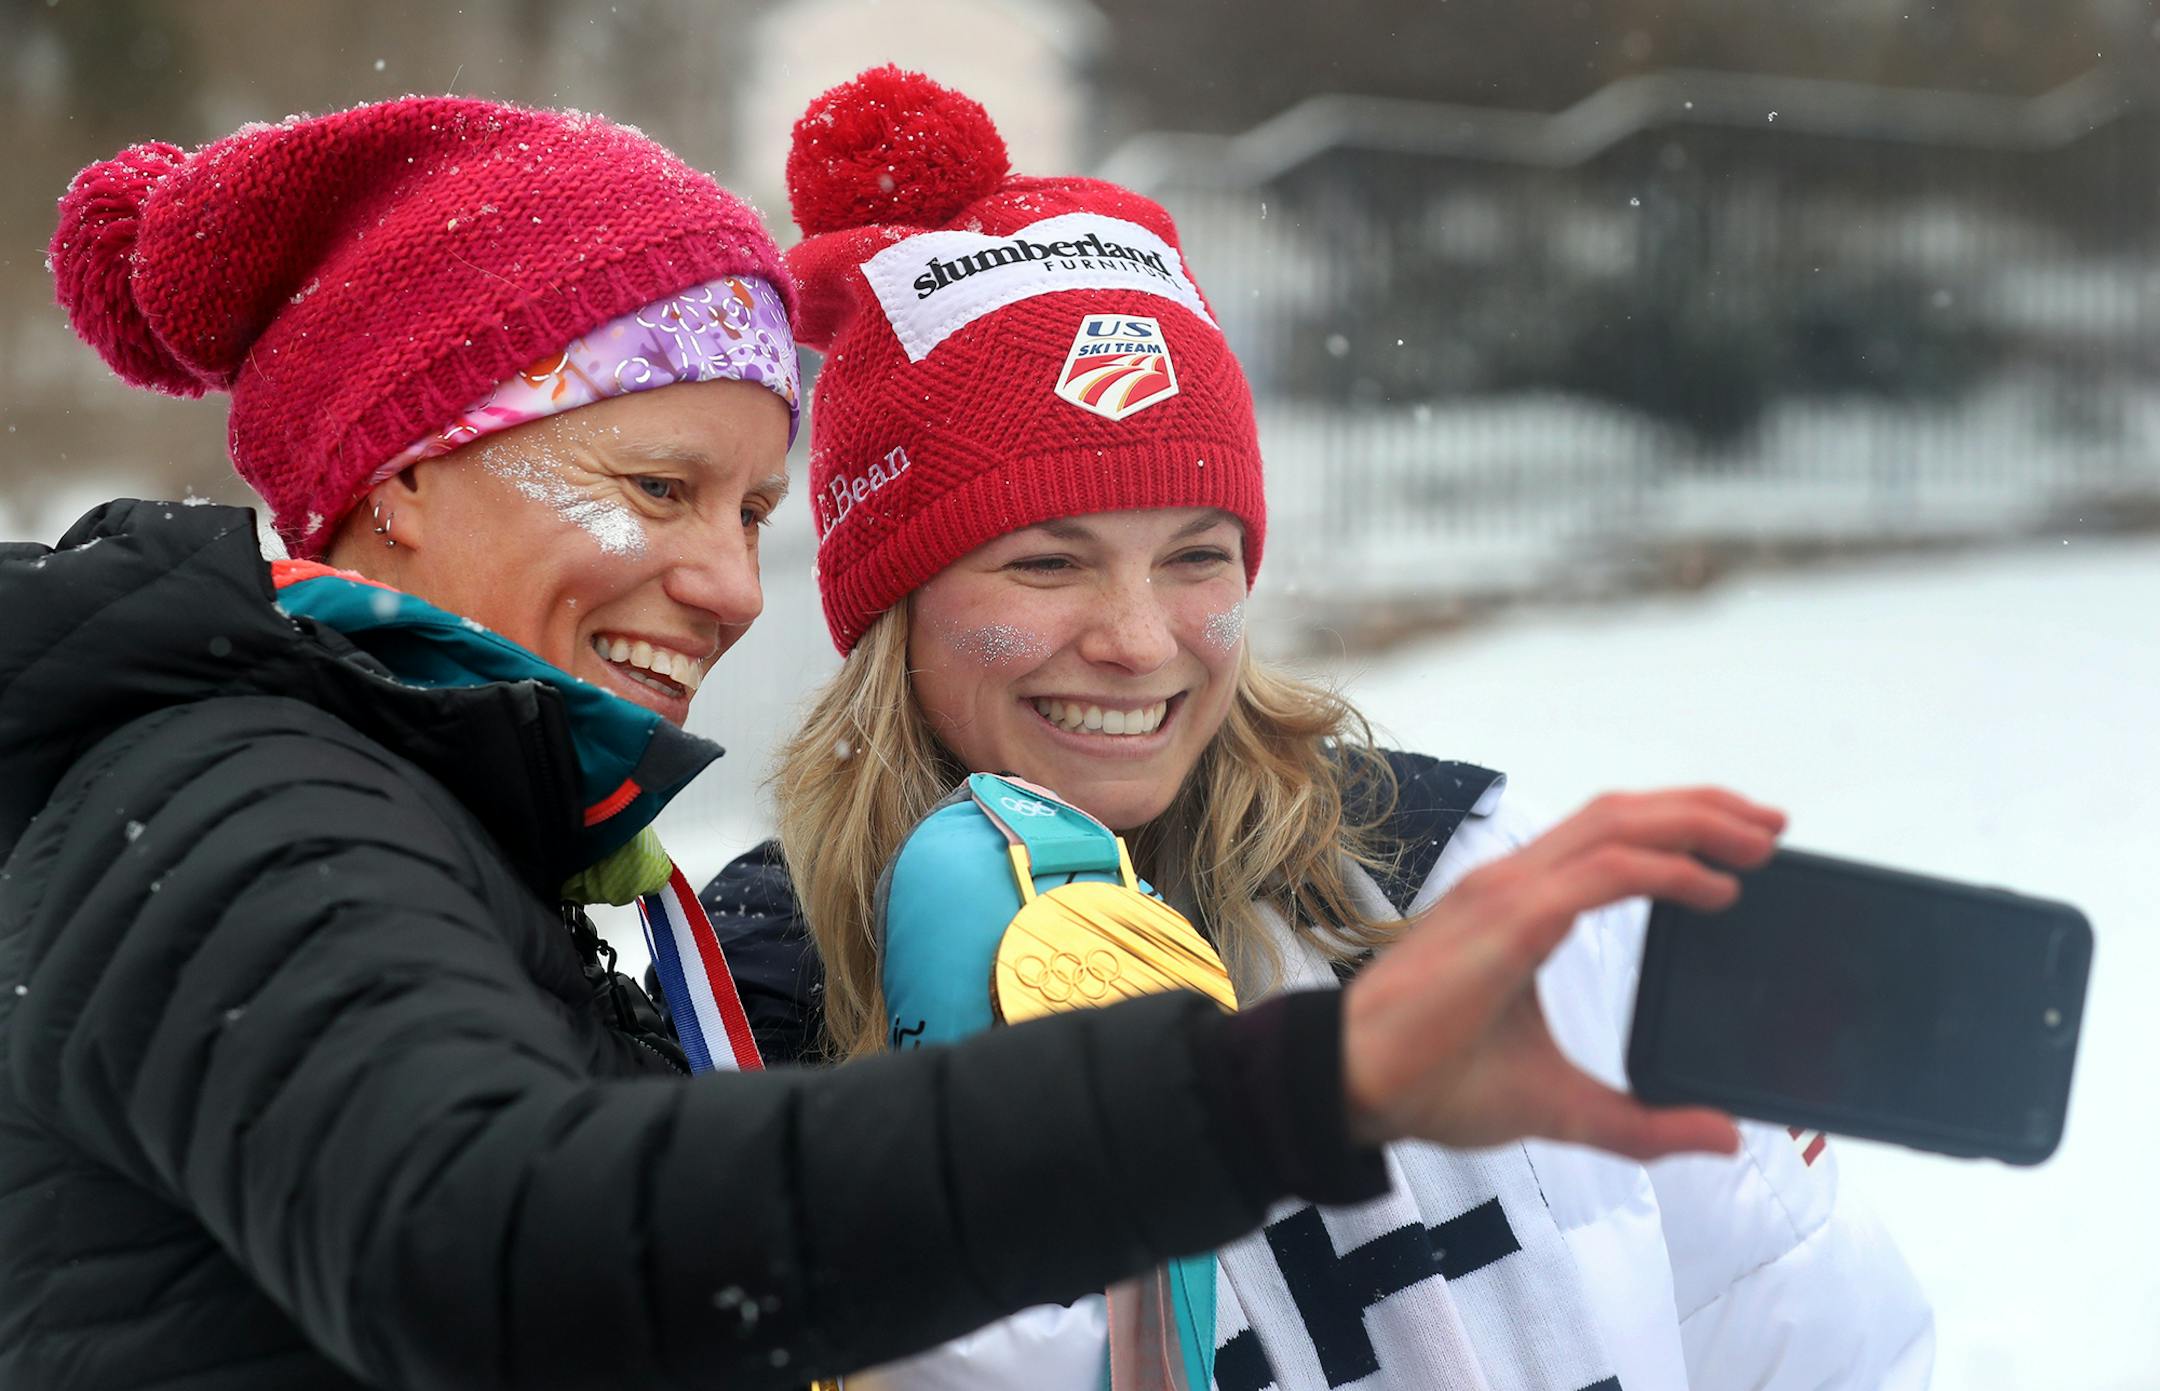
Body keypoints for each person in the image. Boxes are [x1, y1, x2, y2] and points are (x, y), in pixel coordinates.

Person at [0, 97, 1764, 1391]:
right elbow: (493, 1253)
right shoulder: (246, 797)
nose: (720, 582)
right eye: (654, 486)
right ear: (399, 467)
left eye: (750, 510)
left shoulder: (458, 839)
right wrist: (1287, 1092)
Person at [708, 67, 1936, 1390]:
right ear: (896, 605)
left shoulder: (1461, 874)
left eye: (1196, 556)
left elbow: (1805, 1324)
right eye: (1047, 566)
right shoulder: (753, 1013)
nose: (1138, 636)